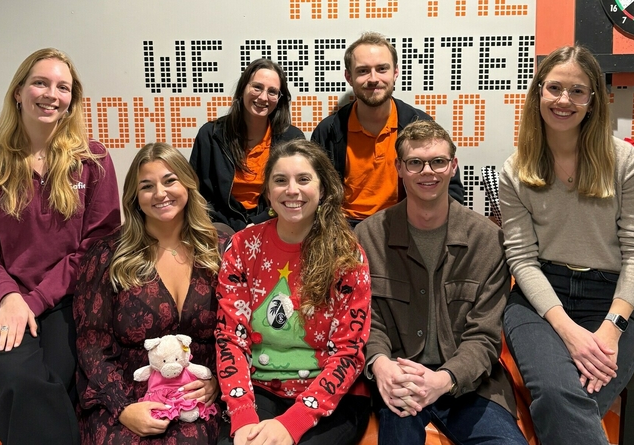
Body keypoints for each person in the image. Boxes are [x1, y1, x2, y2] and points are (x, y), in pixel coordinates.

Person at [0, 48, 121, 445]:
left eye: (63, 87)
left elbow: (97, 247)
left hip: (67, 301)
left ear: (71, 99)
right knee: (27, 382)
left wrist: (35, 301)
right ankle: (6, 409)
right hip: (2, 302)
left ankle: (2, 412)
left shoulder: (93, 160)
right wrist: (10, 296)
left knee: (46, 386)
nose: (51, 94)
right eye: (40, 83)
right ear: (18, 91)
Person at [499, 45, 634, 444]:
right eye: (554, 88)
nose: (564, 100)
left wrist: (612, 329)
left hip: (610, 302)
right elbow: (521, 258)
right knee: (556, 393)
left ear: (593, 100)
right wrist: (567, 331)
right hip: (539, 302)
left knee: (573, 400)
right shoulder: (515, 170)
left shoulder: (627, 162)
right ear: (539, 92)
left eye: (577, 91)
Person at [355, 120, 526, 445]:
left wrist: (445, 379)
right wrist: (379, 364)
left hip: (470, 386)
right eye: (415, 163)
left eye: (437, 162)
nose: (427, 172)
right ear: (399, 168)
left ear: (453, 166)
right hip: (399, 381)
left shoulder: (489, 241)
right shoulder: (368, 237)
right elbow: (366, 321)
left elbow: (484, 336)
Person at [215, 140, 372, 445]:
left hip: (333, 394)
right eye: (280, 180)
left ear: (322, 189)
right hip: (258, 387)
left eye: (303, 179)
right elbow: (230, 338)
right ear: (267, 191)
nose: (292, 190)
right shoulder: (242, 247)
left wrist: (292, 423)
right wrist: (243, 413)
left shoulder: (347, 255)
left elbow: (348, 353)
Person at [75, 142, 232, 445]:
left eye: (170, 181)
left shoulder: (221, 248)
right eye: (147, 186)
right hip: (126, 396)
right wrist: (123, 408)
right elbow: (91, 343)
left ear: (188, 184)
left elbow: (237, 331)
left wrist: (217, 380)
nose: (160, 193)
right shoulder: (108, 254)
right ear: (134, 197)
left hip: (199, 396)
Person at [311, 32, 463, 226]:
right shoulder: (328, 131)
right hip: (344, 229)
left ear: (395, 72)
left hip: (406, 226)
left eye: (382, 69)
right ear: (349, 77)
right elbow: (313, 193)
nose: (373, 79)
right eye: (363, 71)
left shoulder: (418, 123)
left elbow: (451, 190)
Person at [190, 58, 305, 232]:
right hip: (220, 227)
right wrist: (229, 230)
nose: (263, 97)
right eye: (257, 87)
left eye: (272, 91)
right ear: (243, 89)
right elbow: (198, 194)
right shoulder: (210, 135)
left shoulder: (292, 138)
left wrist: (260, 221)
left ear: (279, 99)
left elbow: (294, 193)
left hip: (275, 222)